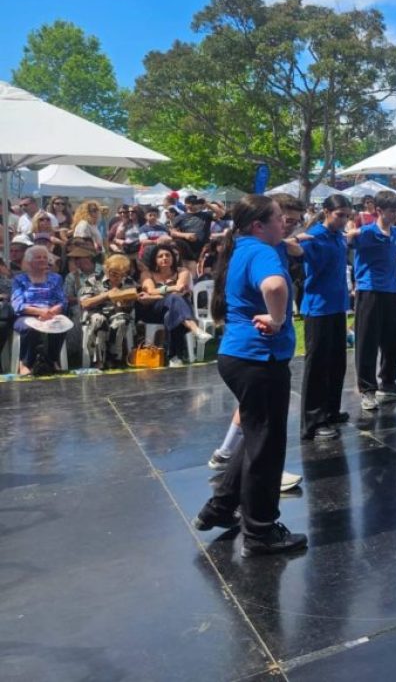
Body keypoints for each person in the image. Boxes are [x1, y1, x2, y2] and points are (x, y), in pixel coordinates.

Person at [193, 195, 307, 557]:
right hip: (259, 359)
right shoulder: (262, 252)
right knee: (266, 447)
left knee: (256, 435)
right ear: (259, 225)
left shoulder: (241, 247)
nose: (284, 223)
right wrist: (277, 319)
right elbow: (274, 287)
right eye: (279, 218)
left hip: (239, 357)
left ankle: (220, 507)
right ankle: (260, 532)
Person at [346, 191, 396, 410]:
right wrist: (350, 232)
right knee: (367, 341)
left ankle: (388, 382)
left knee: (393, 339)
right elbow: (348, 238)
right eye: (391, 211)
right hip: (369, 291)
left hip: (391, 291)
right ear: (379, 210)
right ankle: (367, 390)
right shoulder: (367, 233)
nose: (395, 215)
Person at [298, 194, 353, 440]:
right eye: (339, 215)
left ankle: (331, 410)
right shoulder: (314, 236)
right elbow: (300, 255)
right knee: (317, 366)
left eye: (347, 216)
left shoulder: (340, 237)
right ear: (327, 212)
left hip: (337, 305)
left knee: (336, 362)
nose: (343, 220)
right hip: (318, 307)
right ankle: (313, 420)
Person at [138, 244, 213, 367]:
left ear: (173, 258)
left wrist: (159, 293)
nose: (164, 258)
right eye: (160, 256)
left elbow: (178, 291)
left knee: (171, 314)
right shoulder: (147, 274)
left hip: (175, 308)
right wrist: (171, 288)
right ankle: (195, 329)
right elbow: (151, 290)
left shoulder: (182, 271)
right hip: (154, 310)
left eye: (167, 255)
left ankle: (174, 357)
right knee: (174, 300)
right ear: (154, 260)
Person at [11, 245, 69, 375]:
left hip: (51, 313)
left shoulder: (56, 278)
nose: (42, 260)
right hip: (26, 315)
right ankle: (26, 363)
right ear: (29, 261)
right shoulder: (19, 279)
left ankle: (52, 360)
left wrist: (51, 312)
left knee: (61, 325)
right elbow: (17, 305)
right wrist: (40, 312)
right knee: (30, 328)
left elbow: (63, 301)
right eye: (38, 257)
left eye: (44, 257)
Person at [79, 254, 138, 368]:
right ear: (106, 269)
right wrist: (106, 295)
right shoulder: (93, 280)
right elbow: (85, 303)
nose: (118, 277)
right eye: (114, 273)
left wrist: (127, 301)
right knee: (99, 320)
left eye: (122, 274)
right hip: (95, 313)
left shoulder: (129, 282)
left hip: (117, 314)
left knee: (121, 320)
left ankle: (113, 358)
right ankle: (98, 360)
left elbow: (133, 302)